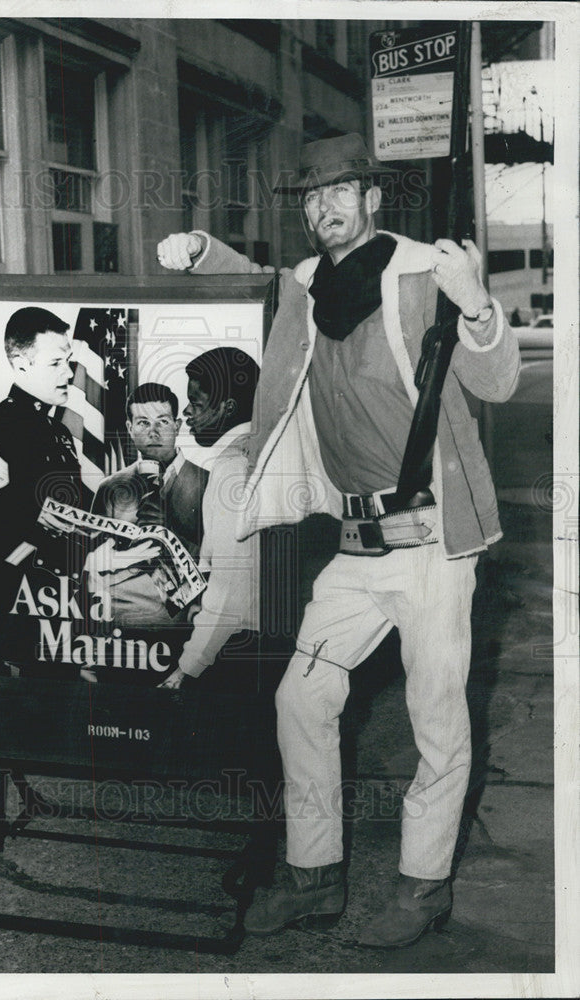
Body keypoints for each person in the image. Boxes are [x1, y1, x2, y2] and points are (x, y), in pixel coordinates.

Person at [156, 132, 520, 946]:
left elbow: (497, 381)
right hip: (354, 548)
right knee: (301, 698)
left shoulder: (428, 270)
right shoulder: (306, 285)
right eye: (310, 197)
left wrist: (477, 305)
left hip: (431, 543)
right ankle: (313, 875)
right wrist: (198, 249)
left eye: (337, 191)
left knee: (436, 719)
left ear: (372, 197)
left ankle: (422, 889)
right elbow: (251, 276)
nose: (322, 207)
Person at [157, 346, 262, 692]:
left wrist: (187, 668)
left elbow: (231, 588)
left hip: (238, 651)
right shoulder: (257, 452)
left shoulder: (233, 468)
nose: (186, 412)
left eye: (197, 404)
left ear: (227, 408)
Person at [0, 306, 83, 674]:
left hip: (63, 594)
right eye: (56, 363)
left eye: (69, 361)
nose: (69, 372)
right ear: (21, 364)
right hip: (23, 596)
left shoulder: (57, 431)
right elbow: (1, 532)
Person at [90, 382, 208, 627]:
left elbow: (225, 565)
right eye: (143, 423)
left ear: (177, 426)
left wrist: (172, 530)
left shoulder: (209, 483)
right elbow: (90, 564)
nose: (153, 432)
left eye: (162, 422)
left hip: (186, 630)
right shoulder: (110, 488)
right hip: (119, 631)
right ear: (130, 429)